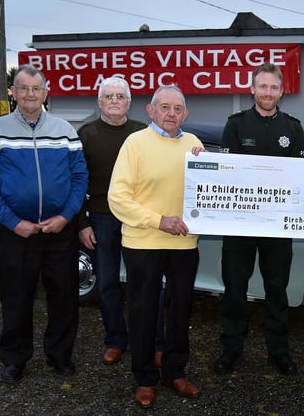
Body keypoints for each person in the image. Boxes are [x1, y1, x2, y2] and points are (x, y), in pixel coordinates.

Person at [0, 64, 88, 382]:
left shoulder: (65, 130)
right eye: (22, 88)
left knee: (64, 295)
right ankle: (14, 359)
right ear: (12, 92)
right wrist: (12, 221)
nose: (29, 94)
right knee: (16, 296)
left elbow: (80, 178)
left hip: (58, 231)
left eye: (36, 88)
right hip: (16, 233)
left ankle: (60, 356)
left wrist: (66, 216)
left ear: (46, 91)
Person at [108, 85, 203, 408]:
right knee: (144, 311)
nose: (171, 114)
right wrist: (158, 220)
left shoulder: (194, 145)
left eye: (178, 109)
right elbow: (117, 198)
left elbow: (208, 191)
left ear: (185, 114)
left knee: (180, 310)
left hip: (184, 243)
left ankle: (175, 371)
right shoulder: (134, 143)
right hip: (143, 242)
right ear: (151, 110)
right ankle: (145, 377)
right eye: (165, 107)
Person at [213, 62, 304, 376]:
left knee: (277, 288)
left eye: (274, 88)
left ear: (282, 92)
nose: (268, 93)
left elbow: (302, 177)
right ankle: (231, 347)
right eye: (262, 87)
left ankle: (279, 351)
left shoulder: (293, 128)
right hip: (240, 223)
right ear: (253, 89)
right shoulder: (236, 124)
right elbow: (226, 172)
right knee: (235, 287)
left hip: (278, 225)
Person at [76, 77, 148, 365]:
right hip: (102, 218)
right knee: (106, 282)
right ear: (100, 102)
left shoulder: (142, 132)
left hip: (138, 218)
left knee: (143, 282)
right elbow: (76, 181)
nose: (115, 100)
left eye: (120, 96)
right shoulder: (86, 134)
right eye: (109, 96)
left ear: (129, 102)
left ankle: (148, 341)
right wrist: (81, 222)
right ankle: (116, 340)